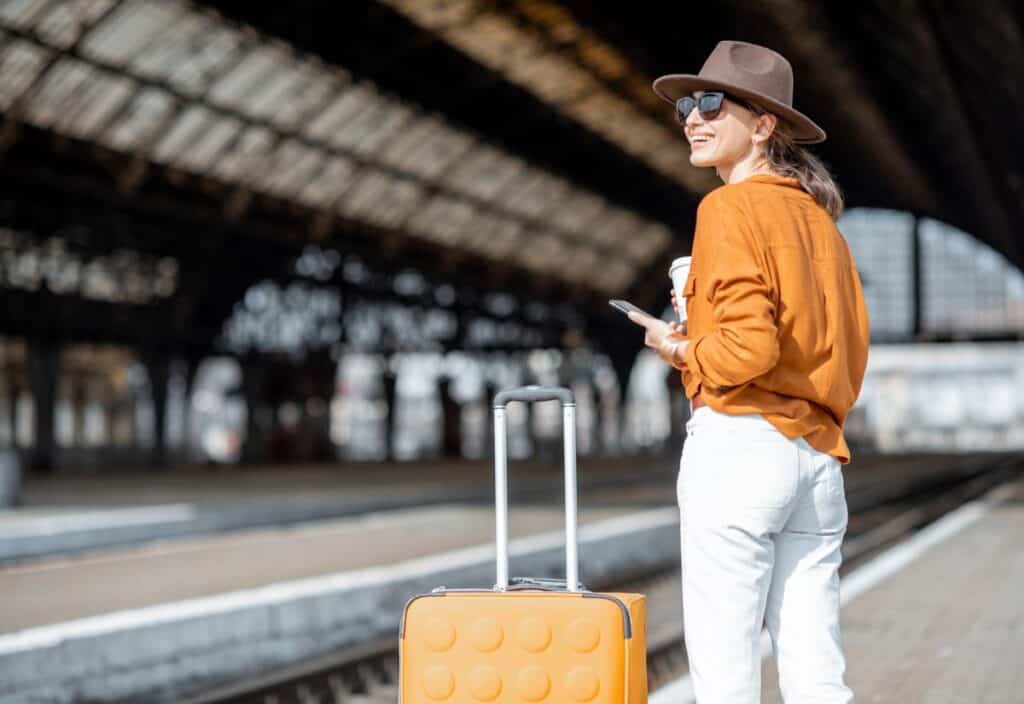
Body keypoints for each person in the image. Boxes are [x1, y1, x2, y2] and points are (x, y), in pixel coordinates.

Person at [628, 41, 870, 703]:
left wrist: (678, 350)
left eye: (711, 103)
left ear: (764, 125)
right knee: (818, 672)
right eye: (686, 105)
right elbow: (845, 348)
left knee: (725, 672)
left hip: (739, 446)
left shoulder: (728, 209)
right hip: (817, 458)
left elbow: (747, 353)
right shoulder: (824, 227)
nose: (692, 119)